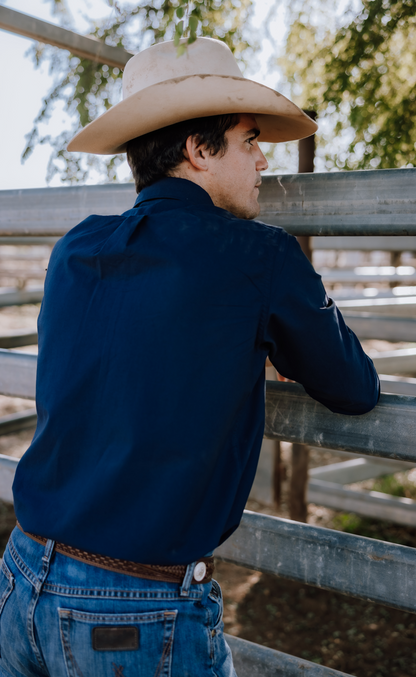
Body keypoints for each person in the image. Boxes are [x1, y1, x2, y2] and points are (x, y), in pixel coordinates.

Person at [1, 38, 379, 677]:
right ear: (199, 150)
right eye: (249, 139)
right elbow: (354, 387)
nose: (264, 158)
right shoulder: (258, 255)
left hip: (20, 582)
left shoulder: (75, 249)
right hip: (131, 615)